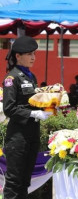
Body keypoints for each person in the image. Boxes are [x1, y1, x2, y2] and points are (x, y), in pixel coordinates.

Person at [2, 36, 52, 199]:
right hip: (18, 137)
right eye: (29, 54)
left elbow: (33, 101)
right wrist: (32, 113)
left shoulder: (31, 77)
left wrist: (48, 105)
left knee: (25, 181)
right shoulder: (12, 78)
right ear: (18, 56)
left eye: (34, 54)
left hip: (32, 134)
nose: (33, 57)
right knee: (14, 181)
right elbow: (9, 108)